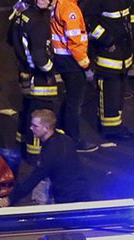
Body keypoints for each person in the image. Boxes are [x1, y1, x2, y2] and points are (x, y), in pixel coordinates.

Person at [11, 0, 58, 156]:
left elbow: (11, 40)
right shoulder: (39, 22)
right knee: (40, 115)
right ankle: (36, 153)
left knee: (27, 110)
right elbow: (39, 55)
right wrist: (50, 70)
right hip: (39, 78)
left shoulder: (23, 16)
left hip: (25, 73)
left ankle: (22, 144)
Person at [83, 0, 134, 140]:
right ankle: (110, 129)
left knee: (118, 94)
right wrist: (107, 40)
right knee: (109, 93)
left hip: (123, 54)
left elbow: (129, 14)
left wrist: (133, 30)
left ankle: (116, 125)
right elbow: (89, 21)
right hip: (108, 55)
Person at [50, 0, 98, 152]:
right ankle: (74, 139)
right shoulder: (70, 8)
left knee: (70, 97)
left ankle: (61, 128)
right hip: (72, 61)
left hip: (62, 59)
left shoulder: (60, 4)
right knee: (75, 102)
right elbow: (75, 44)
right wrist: (87, 67)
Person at [12, 109, 86, 203]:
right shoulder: (65, 139)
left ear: (46, 128)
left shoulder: (50, 151)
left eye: (35, 126)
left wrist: (10, 199)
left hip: (67, 198)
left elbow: (34, 178)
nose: (31, 128)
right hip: (80, 192)